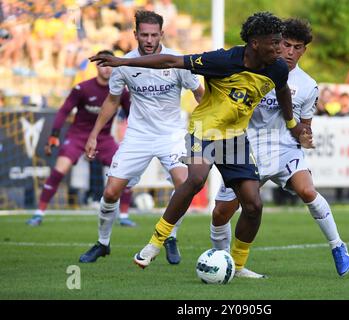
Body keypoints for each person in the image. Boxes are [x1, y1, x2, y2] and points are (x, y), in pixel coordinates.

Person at [90, 11, 306, 271]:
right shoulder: (222, 60)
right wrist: (120, 62)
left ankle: (237, 266)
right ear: (255, 43)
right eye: (275, 42)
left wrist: (292, 124)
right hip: (203, 130)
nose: (280, 48)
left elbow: (282, 91)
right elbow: (171, 60)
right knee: (195, 179)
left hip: (234, 138)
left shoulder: (277, 68)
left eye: (281, 41)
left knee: (253, 204)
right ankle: (155, 242)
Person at [210, 18, 349, 279]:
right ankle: (228, 265)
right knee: (221, 213)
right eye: (286, 44)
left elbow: (305, 125)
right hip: (248, 149)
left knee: (307, 190)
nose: (290, 51)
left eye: (297, 47)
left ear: (304, 50)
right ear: (276, 43)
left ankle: (338, 246)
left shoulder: (309, 85)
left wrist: (306, 137)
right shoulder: (254, 69)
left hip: (285, 149)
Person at [79, 11, 204, 264]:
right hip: (138, 136)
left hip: (172, 135)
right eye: (144, 34)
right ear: (135, 34)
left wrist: (211, 128)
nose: (148, 40)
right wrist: (94, 134)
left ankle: (170, 236)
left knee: (185, 184)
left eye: (153, 35)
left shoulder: (177, 62)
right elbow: (112, 101)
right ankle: (103, 243)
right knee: (111, 191)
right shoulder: (123, 65)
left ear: (162, 34)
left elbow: (200, 94)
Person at [26, 50, 134, 227]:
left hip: (104, 139)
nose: (106, 69)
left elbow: (132, 114)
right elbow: (63, 111)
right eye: (102, 64)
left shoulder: (120, 91)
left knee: (126, 171)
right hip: (78, 136)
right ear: (96, 66)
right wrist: (54, 136)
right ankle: (39, 213)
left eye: (109, 64)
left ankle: (124, 217)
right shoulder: (82, 88)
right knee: (59, 170)